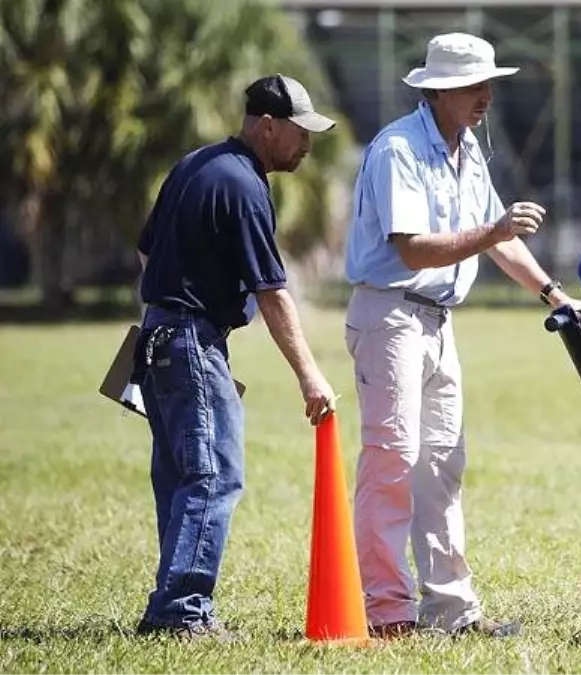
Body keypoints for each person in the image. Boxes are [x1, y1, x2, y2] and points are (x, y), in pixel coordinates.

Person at [342, 33, 581, 639]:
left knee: (443, 463)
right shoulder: (399, 149)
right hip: (391, 316)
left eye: (488, 85)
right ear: (439, 91)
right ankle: (387, 614)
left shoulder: (468, 149)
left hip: (435, 321)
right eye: (474, 86)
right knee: (393, 461)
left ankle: (452, 611)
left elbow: (501, 239)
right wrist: (492, 231)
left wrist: (554, 295)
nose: (486, 96)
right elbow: (412, 249)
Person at [133, 74, 340, 640]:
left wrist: (168, 309)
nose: (306, 146)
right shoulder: (245, 187)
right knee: (213, 476)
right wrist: (310, 376)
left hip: (158, 338)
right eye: (300, 134)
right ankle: (181, 613)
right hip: (190, 341)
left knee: (180, 477)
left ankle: (172, 603)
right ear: (268, 127)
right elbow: (273, 294)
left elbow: (145, 250)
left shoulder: (196, 165)